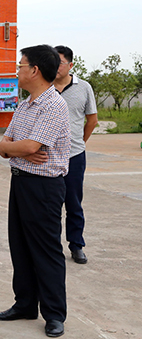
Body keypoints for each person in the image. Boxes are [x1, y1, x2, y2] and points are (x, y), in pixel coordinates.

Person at [0, 45, 70, 337]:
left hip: (44, 187)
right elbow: (5, 145)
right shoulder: (25, 104)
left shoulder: (54, 105)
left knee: (46, 250)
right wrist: (15, 151)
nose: (18, 70)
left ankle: (54, 314)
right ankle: (25, 304)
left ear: (35, 70)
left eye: (21, 65)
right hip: (21, 181)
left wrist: (16, 149)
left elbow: (28, 147)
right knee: (21, 246)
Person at [54, 45, 98, 264]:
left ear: (70, 65)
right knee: (50, 203)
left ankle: (76, 244)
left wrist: (79, 142)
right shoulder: (44, 87)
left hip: (74, 156)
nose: (55, 66)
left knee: (73, 202)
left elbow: (92, 120)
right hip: (48, 157)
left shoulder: (84, 88)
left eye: (60, 62)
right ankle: (51, 246)